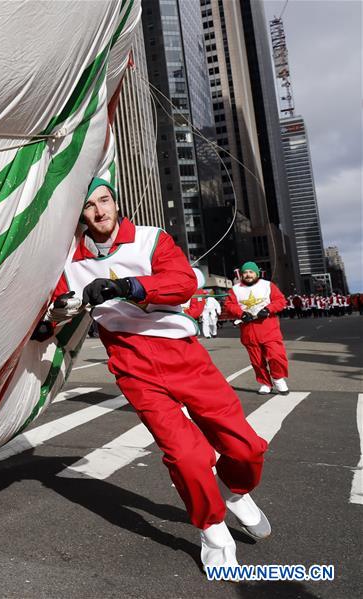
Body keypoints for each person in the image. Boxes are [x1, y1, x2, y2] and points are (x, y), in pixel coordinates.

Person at [43, 179, 269, 572]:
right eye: (90, 207)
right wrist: (55, 316)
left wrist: (126, 286)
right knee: (186, 455)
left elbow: (182, 283)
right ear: (79, 216)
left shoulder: (151, 239)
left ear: (115, 200)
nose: (100, 212)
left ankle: (236, 492)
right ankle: (212, 528)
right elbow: (55, 311)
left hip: (183, 356)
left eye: (105, 200)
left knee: (246, 447)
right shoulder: (68, 263)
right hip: (132, 365)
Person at [223, 262, 289, 395]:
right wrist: (240, 314)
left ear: (256, 273)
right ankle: (265, 383)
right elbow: (229, 305)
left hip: (268, 327)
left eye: (251, 272)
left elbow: (280, 301)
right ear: (241, 274)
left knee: (276, 356)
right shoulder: (235, 289)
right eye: (245, 272)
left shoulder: (267, 285)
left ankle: (278, 378)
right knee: (257, 361)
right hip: (248, 329)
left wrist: (268, 309)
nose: (248, 275)